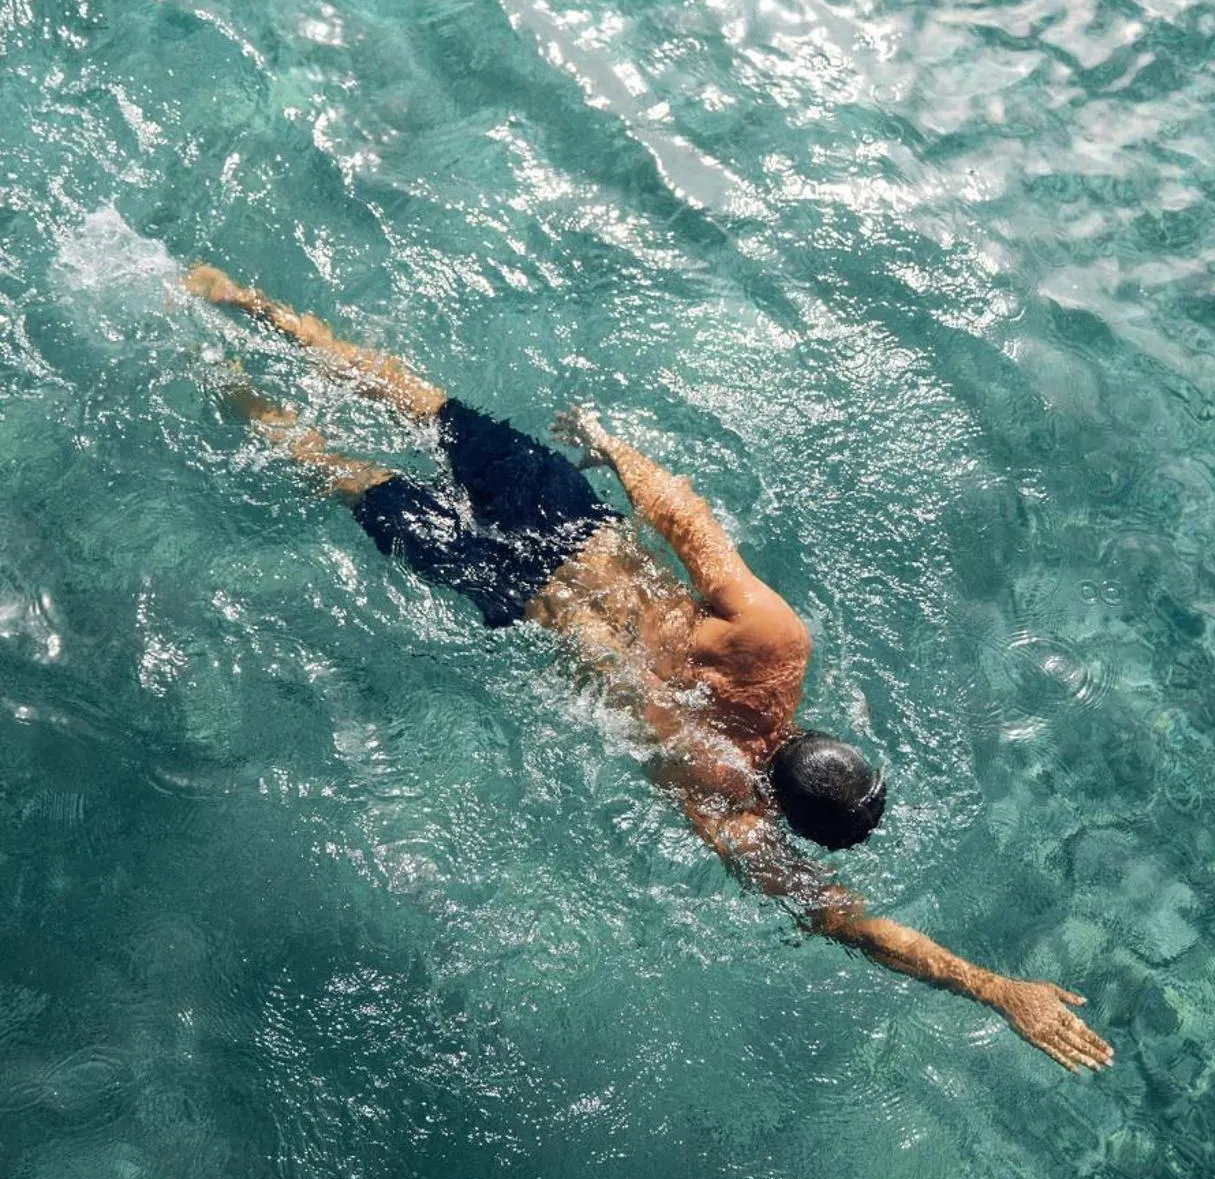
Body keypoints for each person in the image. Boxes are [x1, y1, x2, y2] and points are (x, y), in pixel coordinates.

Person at [185, 262, 1113, 1075]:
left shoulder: (773, 646)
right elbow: (842, 922)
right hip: (514, 591)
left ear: (835, 741)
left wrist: (611, 445)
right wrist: (991, 988)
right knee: (333, 467)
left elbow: (683, 522)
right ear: (783, 803)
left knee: (413, 399)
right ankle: (215, 380)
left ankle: (238, 303)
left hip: (571, 522)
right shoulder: (719, 795)